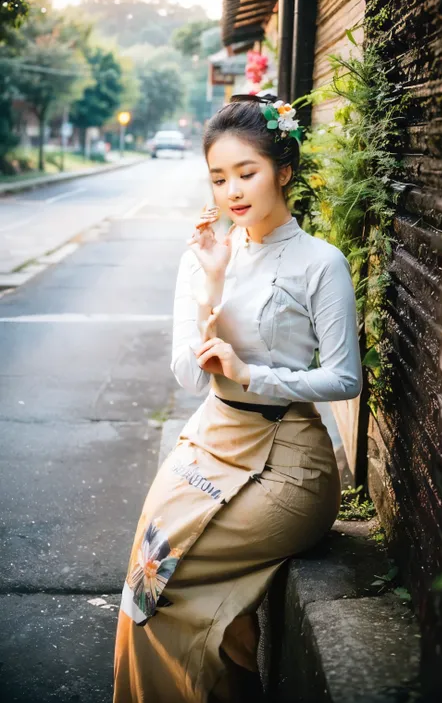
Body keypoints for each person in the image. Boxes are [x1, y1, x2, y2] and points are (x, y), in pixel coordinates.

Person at [113, 95, 363, 703]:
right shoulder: (201, 259)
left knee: (168, 578)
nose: (232, 192)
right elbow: (190, 378)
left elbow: (345, 379)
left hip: (288, 463)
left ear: (284, 170)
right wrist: (213, 283)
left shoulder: (319, 264)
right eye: (219, 178)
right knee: (144, 578)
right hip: (210, 440)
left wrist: (254, 375)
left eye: (246, 173)